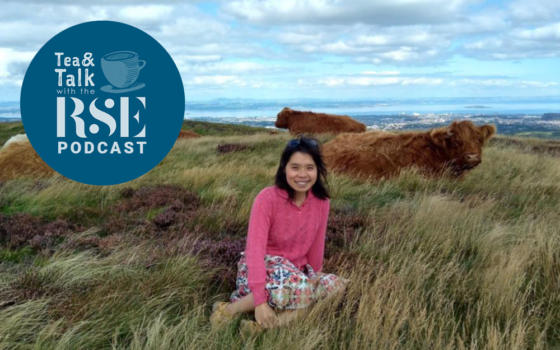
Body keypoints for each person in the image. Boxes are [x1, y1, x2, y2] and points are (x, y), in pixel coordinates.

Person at [210, 136, 347, 334]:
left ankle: (260, 329)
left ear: (318, 170)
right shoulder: (267, 198)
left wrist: (316, 273)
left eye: (309, 167)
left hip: (295, 272)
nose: (302, 174)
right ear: (284, 168)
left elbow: (318, 243)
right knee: (305, 291)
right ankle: (229, 310)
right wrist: (259, 300)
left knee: (336, 286)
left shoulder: (321, 202)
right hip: (261, 269)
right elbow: (254, 251)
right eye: (295, 167)